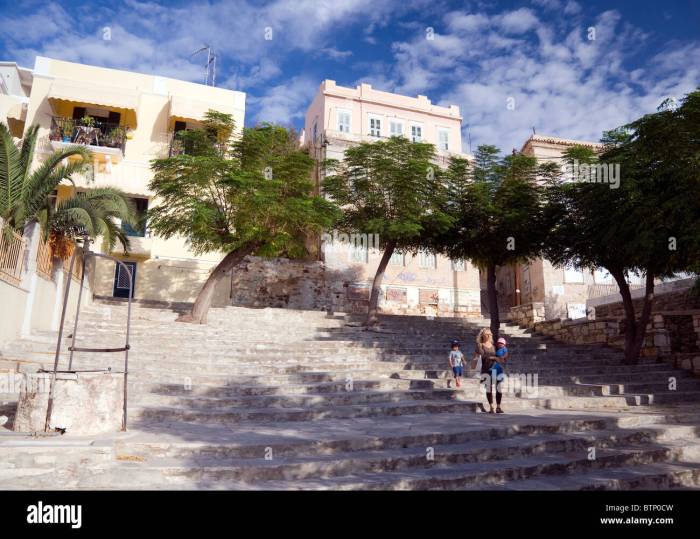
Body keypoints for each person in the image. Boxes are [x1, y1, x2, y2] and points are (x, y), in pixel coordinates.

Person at [473, 328, 506, 414]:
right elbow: (475, 358)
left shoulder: (494, 346)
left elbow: (501, 359)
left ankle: (498, 407)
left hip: (496, 368)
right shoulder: (480, 345)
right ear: (482, 335)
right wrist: (473, 365)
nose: (489, 335)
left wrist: (497, 358)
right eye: (487, 334)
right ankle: (491, 406)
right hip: (486, 369)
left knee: (498, 388)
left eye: (490, 334)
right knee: (489, 388)